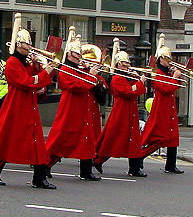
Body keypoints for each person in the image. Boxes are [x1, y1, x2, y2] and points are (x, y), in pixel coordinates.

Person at [0, 13, 57, 188]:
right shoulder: (12, 63)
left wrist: (40, 68)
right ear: (18, 45)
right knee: (8, 141)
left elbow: (33, 79)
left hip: (28, 106)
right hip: (16, 107)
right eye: (26, 44)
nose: (29, 47)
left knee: (37, 142)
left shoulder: (25, 62)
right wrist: (44, 73)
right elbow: (25, 82)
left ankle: (39, 178)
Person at [45, 30, 105, 181]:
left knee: (86, 140)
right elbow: (78, 86)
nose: (81, 57)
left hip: (82, 109)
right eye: (78, 54)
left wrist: (90, 73)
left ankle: (86, 171)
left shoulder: (76, 69)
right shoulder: (65, 70)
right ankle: (45, 165)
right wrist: (90, 75)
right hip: (70, 110)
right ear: (70, 54)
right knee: (63, 139)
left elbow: (89, 82)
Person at [93, 39, 148, 178]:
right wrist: (140, 82)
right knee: (115, 139)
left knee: (134, 140)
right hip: (122, 112)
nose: (128, 66)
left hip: (130, 111)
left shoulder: (125, 77)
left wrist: (135, 79)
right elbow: (129, 92)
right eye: (125, 64)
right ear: (119, 64)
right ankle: (98, 160)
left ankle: (134, 168)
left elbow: (133, 89)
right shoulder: (117, 78)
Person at [139, 35, 185, 174]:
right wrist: (175, 78)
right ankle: (140, 156)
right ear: (160, 59)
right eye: (167, 59)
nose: (169, 62)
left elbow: (175, 87)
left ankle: (171, 165)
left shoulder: (167, 72)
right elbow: (165, 88)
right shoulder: (157, 73)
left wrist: (177, 78)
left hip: (170, 107)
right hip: (162, 107)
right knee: (161, 137)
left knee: (173, 138)